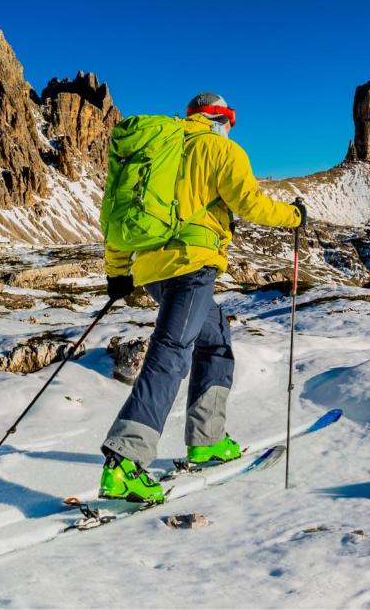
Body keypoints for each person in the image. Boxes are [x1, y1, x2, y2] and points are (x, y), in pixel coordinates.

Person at [99, 93, 305, 502]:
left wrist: (118, 273)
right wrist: (294, 216)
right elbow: (251, 204)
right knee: (172, 350)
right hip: (192, 267)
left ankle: (207, 439)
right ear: (221, 117)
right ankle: (125, 462)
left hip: (154, 271)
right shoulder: (219, 148)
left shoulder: (157, 148)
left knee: (215, 343)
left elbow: (120, 214)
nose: (231, 127)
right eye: (231, 119)